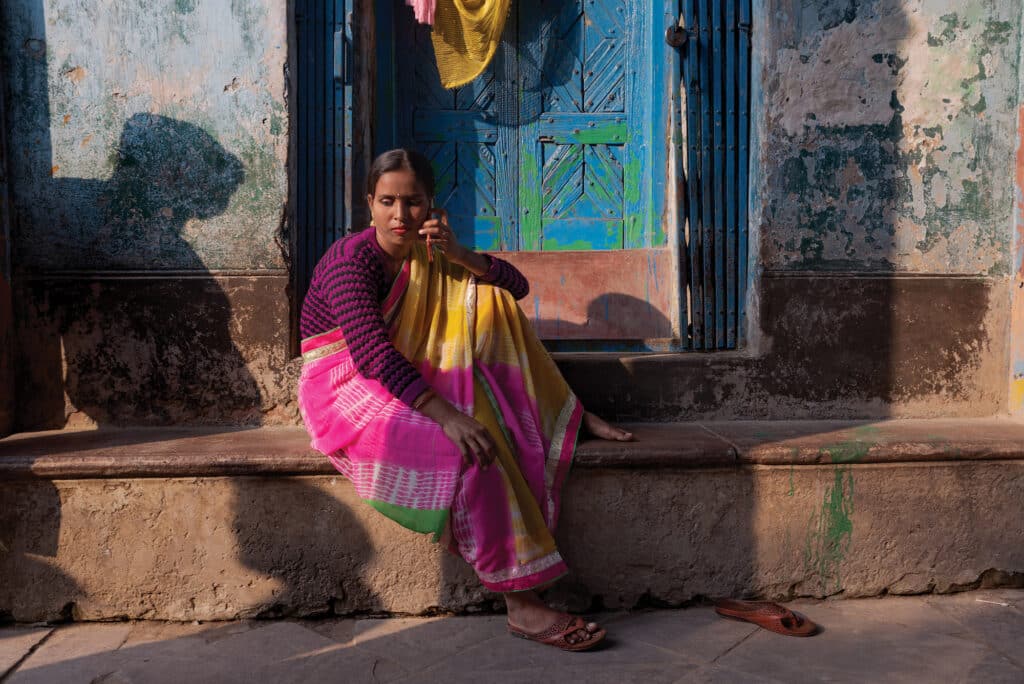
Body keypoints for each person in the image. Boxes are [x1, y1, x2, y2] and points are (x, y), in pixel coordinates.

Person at [298, 148, 633, 651]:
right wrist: (447, 416)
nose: (400, 215)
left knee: (491, 295)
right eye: (387, 201)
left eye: (412, 202)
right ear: (368, 204)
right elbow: (370, 356)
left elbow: (516, 286)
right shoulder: (352, 261)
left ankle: (567, 412)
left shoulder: (430, 252)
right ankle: (521, 604)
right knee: (469, 449)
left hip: (405, 367)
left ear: (431, 204)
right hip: (346, 386)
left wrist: (460, 255)